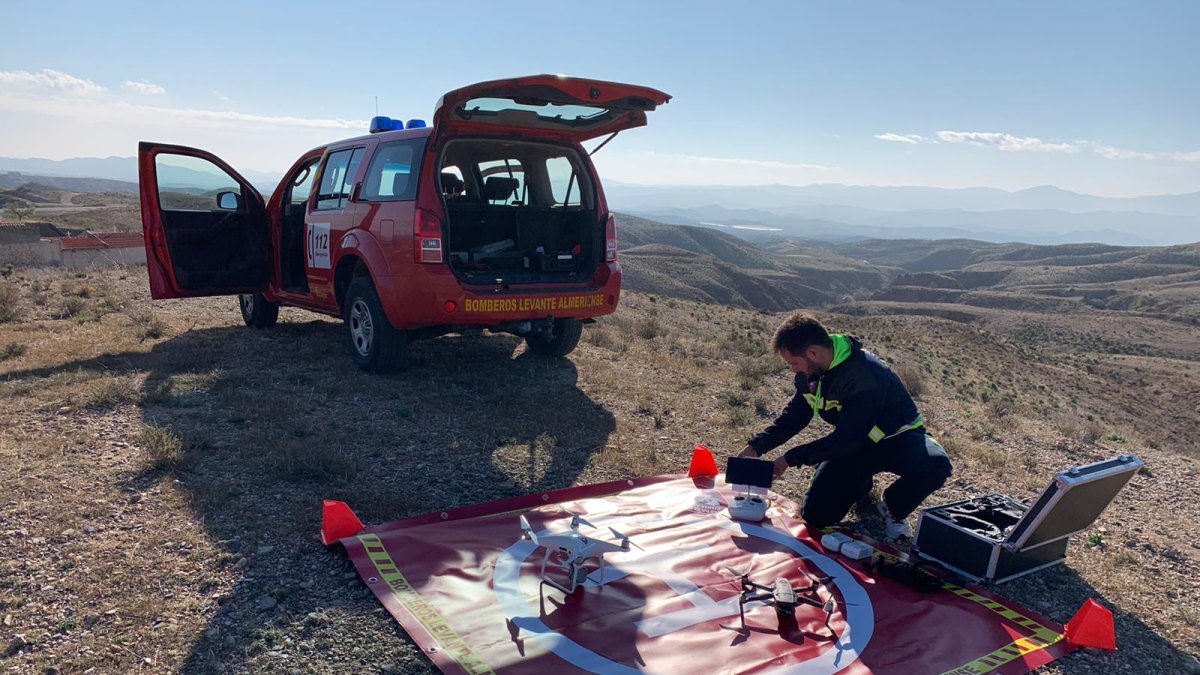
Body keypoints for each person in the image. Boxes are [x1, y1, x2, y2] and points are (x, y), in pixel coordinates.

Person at [739, 312, 952, 539]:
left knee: (935, 465)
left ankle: (892, 507)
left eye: (793, 363)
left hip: (898, 439)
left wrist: (789, 458)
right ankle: (859, 485)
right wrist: (756, 447)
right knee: (816, 515)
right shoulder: (810, 372)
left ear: (813, 352)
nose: (793, 370)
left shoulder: (865, 374)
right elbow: (797, 415)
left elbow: (847, 441)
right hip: (858, 444)